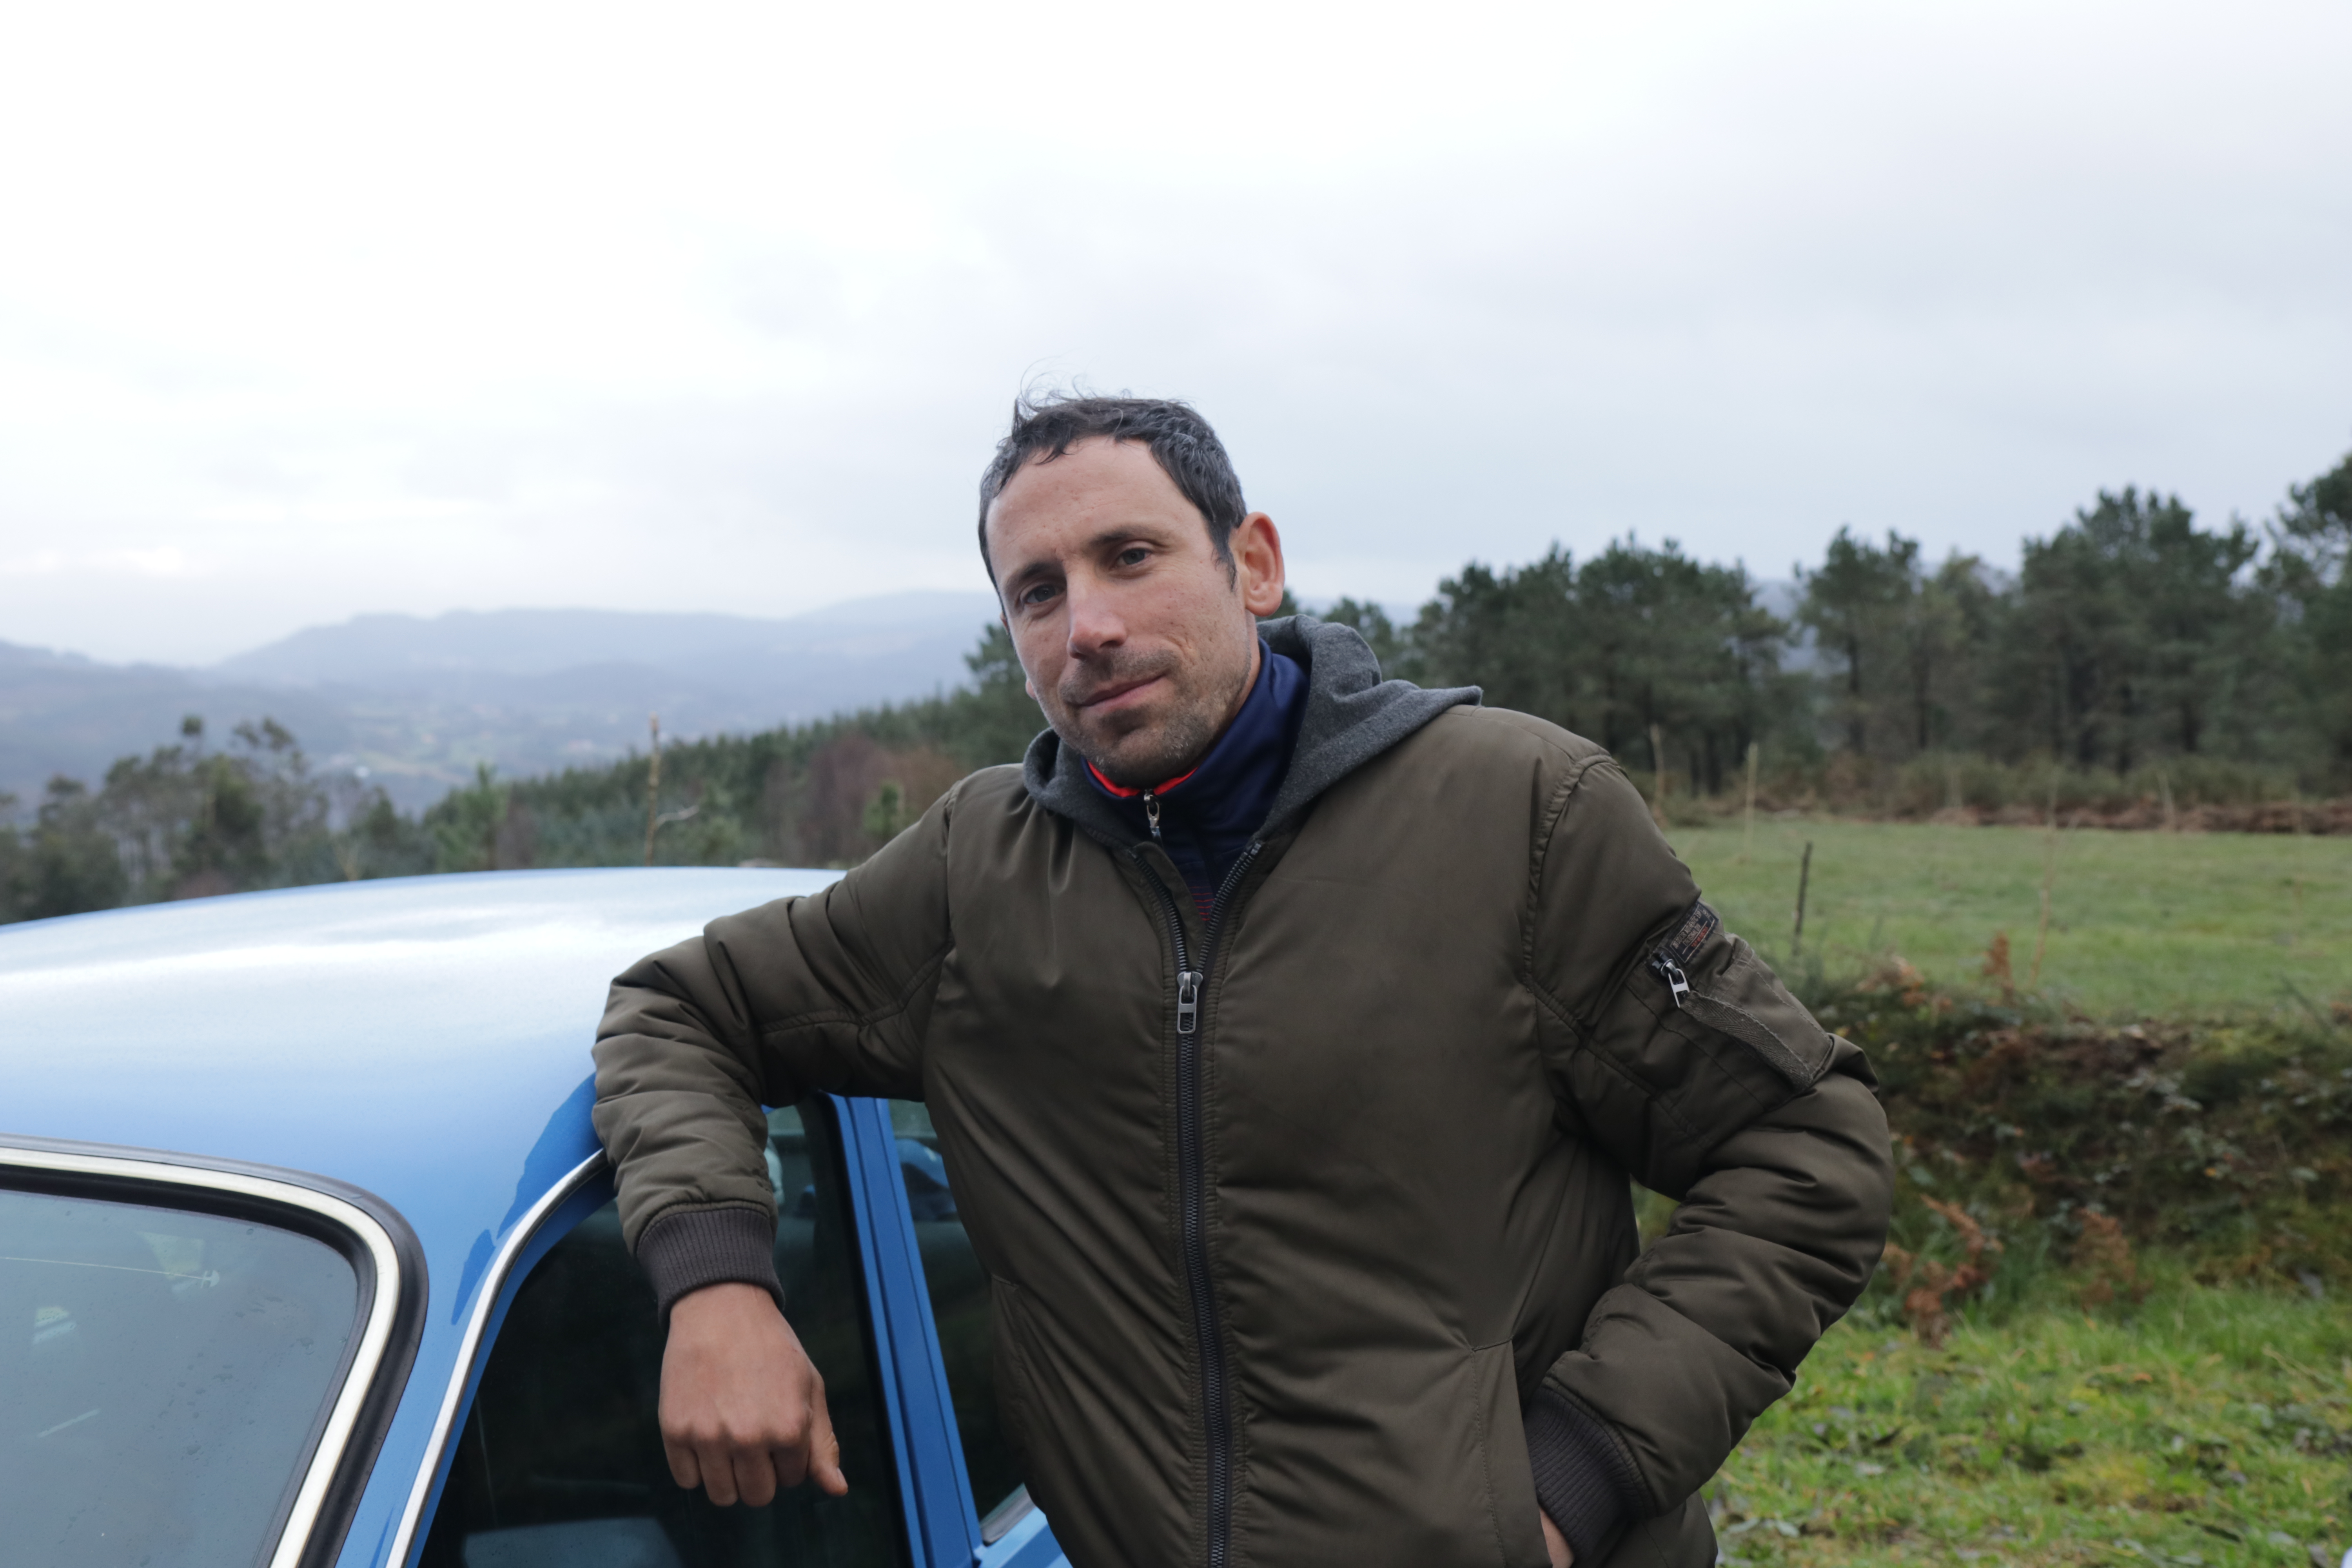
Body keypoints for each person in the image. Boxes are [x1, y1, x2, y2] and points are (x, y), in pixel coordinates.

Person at [592, 395, 1891, 1568]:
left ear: (1252, 563)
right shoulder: (970, 875)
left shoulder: (1519, 815)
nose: (1089, 626)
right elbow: (681, 1008)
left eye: (1130, 556)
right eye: (1037, 591)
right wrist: (718, 1284)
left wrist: (1576, 1475)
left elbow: (1807, 1147)